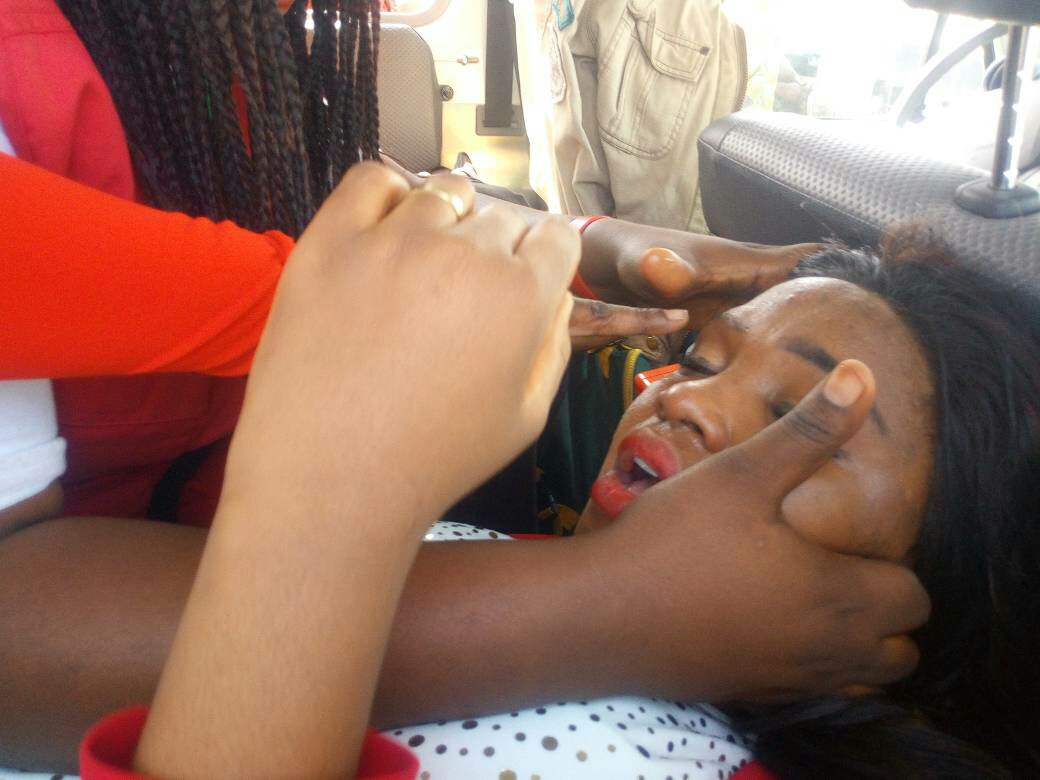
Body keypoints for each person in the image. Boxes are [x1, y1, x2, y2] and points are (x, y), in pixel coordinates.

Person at [387, 234, 1040, 779]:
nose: (684, 398)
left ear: (932, 581)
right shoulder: (531, 570)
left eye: (794, 414)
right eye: (699, 362)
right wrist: (608, 597)